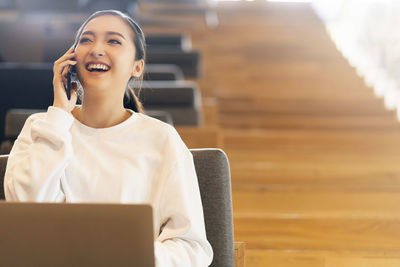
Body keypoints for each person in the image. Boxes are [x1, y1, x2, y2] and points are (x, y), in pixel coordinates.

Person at [4, 10, 213, 266]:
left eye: (113, 41)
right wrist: (59, 113)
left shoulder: (162, 139)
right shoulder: (43, 127)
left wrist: (128, 255)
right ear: (71, 58)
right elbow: (27, 211)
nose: (97, 49)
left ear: (138, 66)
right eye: (86, 40)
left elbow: (191, 247)